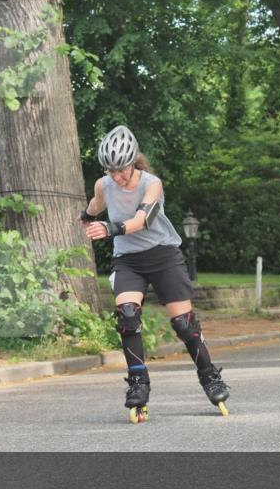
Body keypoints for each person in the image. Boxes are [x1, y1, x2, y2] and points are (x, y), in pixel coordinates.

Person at [80, 125, 229, 423]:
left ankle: (210, 376)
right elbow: (97, 204)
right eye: (110, 171)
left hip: (163, 255)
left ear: (133, 161)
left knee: (184, 325)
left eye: (121, 169)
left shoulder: (152, 183)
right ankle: (138, 383)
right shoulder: (104, 184)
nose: (117, 177)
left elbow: (143, 219)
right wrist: (86, 216)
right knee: (127, 315)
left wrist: (111, 228)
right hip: (129, 260)